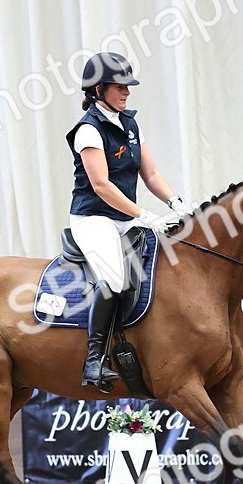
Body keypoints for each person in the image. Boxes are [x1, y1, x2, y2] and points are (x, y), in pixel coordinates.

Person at [66, 52, 193, 392]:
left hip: (124, 217)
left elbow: (149, 172)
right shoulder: (88, 130)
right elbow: (101, 185)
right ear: (98, 90)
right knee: (114, 277)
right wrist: (144, 215)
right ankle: (93, 361)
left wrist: (175, 203)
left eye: (128, 87)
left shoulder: (131, 124)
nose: (126, 93)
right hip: (93, 217)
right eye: (120, 87)